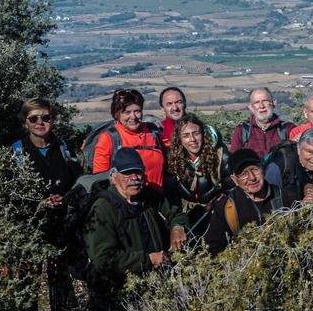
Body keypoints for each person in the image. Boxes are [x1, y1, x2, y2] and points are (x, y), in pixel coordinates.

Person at [83, 146, 183, 289]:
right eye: (127, 174)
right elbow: (103, 259)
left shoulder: (149, 196)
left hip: (159, 280)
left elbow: (176, 213)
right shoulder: (103, 208)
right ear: (113, 177)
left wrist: (178, 227)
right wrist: (148, 260)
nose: (134, 178)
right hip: (123, 289)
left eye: (138, 172)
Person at [13, 97, 80, 244]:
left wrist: (66, 199)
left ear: (53, 120)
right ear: (25, 123)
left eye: (45, 117)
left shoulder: (65, 148)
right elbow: (12, 196)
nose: (40, 122)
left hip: (68, 225)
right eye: (33, 119)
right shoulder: (16, 152)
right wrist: (40, 203)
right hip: (33, 229)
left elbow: (79, 183)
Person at [89, 88, 166, 188]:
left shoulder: (153, 132)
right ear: (117, 114)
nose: (133, 116)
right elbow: (100, 178)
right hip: (126, 201)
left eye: (137, 111)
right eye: (127, 112)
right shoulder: (109, 138)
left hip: (158, 199)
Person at [205, 149, 279, 254]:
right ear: (234, 179)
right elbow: (213, 248)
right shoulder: (226, 206)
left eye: (255, 170)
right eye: (243, 174)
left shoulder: (283, 196)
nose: (252, 178)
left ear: (263, 169)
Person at [164, 111, 224, 219]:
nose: (192, 139)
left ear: (203, 134)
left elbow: (232, 191)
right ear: (180, 139)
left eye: (196, 133)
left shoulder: (220, 157)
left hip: (217, 215)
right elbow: (171, 198)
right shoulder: (172, 161)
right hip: (186, 216)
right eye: (186, 135)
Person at [227, 87, 291, 160]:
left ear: (273, 103)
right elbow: (234, 160)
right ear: (251, 107)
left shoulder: (287, 128)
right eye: (256, 102)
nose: (261, 106)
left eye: (265, 101)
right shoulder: (242, 131)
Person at [157, 86, 218, 153]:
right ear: (162, 108)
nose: (175, 108)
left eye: (178, 102)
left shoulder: (203, 130)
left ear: (185, 104)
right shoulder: (158, 133)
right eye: (169, 104)